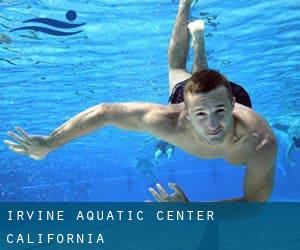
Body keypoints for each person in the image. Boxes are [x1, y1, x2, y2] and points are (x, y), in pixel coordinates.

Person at [4, 0, 277, 202]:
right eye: (201, 115)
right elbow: (105, 112)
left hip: (224, 99)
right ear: (184, 110)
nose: (214, 124)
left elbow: (254, 204)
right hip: (203, 96)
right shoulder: (170, 120)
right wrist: (50, 142)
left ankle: (199, 43)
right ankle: (185, 6)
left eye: (220, 111)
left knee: (185, 74)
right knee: (178, 71)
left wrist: (193, 211)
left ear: (232, 105)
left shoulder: (260, 140)